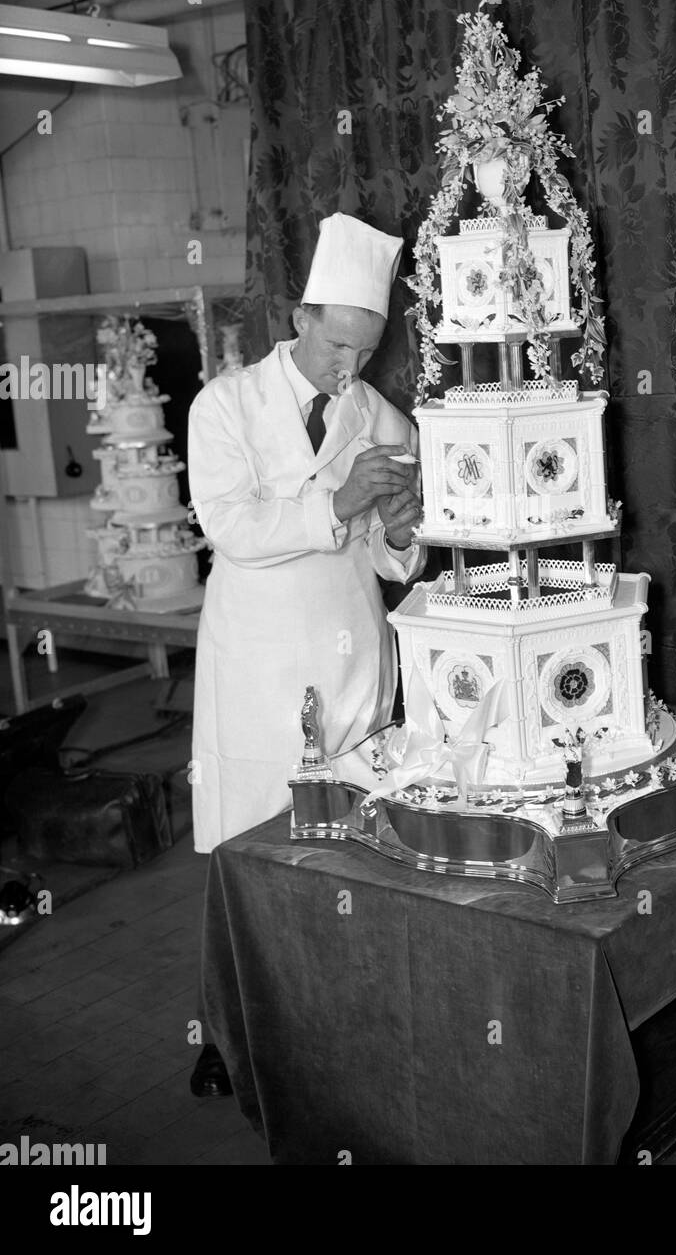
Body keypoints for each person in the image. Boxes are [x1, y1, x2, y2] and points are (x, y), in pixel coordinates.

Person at [186, 212, 424, 1096]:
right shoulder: (226, 405)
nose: (349, 370)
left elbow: (392, 559)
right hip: (255, 660)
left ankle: (339, 1025)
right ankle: (229, 1033)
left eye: (365, 353)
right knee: (246, 850)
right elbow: (235, 531)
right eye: (336, 348)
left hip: (349, 649)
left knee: (349, 848)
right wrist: (339, 498)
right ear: (300, 317)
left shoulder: (382, 418)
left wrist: (403, 531)